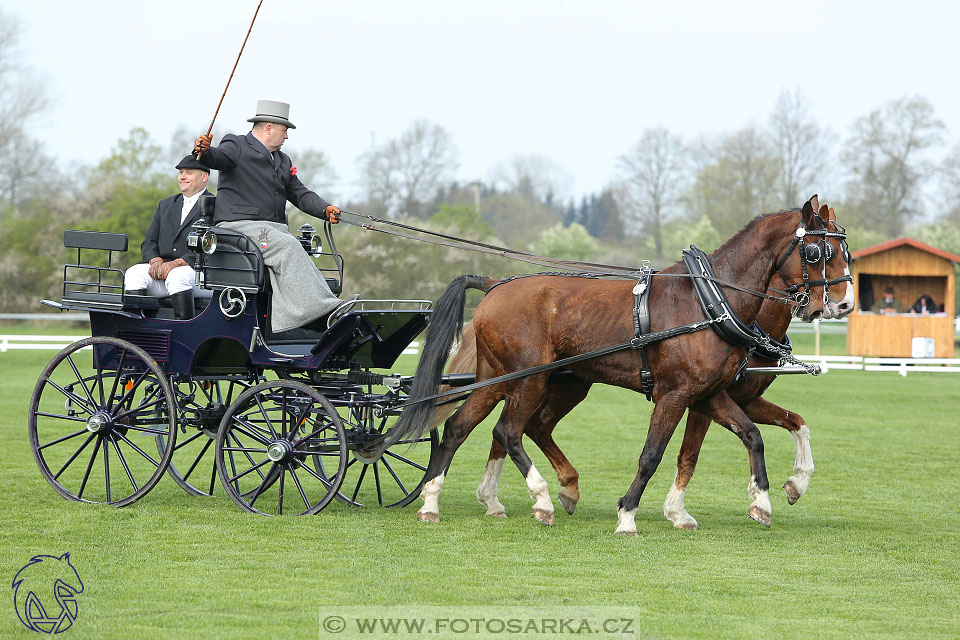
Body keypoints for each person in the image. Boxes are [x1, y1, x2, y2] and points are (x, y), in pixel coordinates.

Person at [194, 100, 342, 333]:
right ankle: (322, 313)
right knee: (288, 247)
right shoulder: (237, 144)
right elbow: (217, 158)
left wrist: (325, 209)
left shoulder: (283, 160)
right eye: (284, 130)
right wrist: (203, 152)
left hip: (272, 231)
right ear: (269, 127)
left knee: (294, 247)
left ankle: (314, 311)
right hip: (239, 227)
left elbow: (299, 193)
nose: (286, 137)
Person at [123, 155, 212, 320]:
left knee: (177, 275)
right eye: (181, 173)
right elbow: (149, 241)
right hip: (163, 270)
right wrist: (155, 260)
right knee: (134, 273)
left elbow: (213, 246)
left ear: (204, 176)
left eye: (189, 173)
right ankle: (136, 332)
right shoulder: (165, 204)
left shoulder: (216, 206)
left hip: (199, 274)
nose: (182, 177)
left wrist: (177, 263)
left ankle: (184, 333)